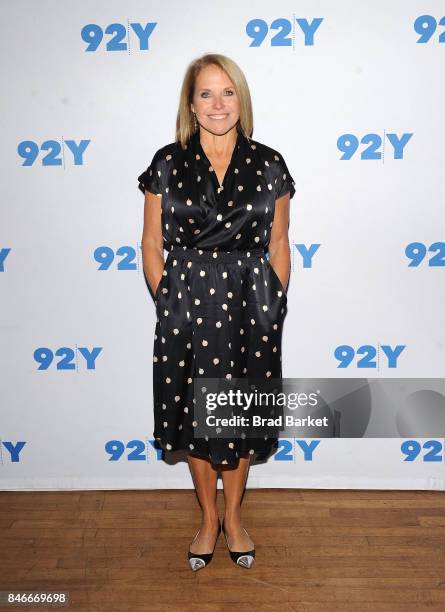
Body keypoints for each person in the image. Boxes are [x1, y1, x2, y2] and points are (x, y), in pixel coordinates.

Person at [138, 53, 295, 571]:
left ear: (241, 99)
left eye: (228, 92)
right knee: (196, 421)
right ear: (191, 103)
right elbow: (151, 243)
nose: (218, 103)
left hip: (251, 305)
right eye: (206, 93)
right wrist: (170, 304)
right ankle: (208, 520)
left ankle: (235, 517)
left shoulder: (269, 163)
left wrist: (274, 303)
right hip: (186, 304)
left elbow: (278, 242)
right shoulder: (167, 161)